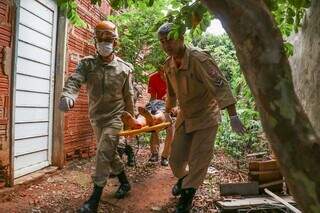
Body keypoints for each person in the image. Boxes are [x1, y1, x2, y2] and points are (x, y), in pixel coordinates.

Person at [157, 23, 246, 213]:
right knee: (176, 159)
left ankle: (186, 199)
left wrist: (233, 115)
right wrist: (167, 111)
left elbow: (220, 86)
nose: (166, 46)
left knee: (199, 159)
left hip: (206, 115)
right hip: (186, 115)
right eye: (163, 42)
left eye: (170, 40)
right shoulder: (169, 65)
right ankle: (184, 180)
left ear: (181, 37)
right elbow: (171, 93)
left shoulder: (199, 59)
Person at [59, 20, 134, 213]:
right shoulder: (87, 65)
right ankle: (125, 183)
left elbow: (129, 96)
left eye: (109, 39)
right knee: (109, 153)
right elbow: (75, 81)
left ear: (115, 43)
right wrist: (68, 95)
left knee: (102, 153)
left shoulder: (125, 69)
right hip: (96, 118)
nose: (105, 43)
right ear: (95, 41)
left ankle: (94, 199)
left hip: (116, 117)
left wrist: (131, 120)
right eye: (101, 39)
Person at [147, 68, 175, 166]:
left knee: (171, 128)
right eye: (160, 72)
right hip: (159, 105)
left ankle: (165, 156)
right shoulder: (153, 78)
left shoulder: (175, 76)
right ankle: (154, 153)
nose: (163, 75)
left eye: (165, 72)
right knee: (155, 126)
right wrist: (152, 108)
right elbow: (153, 97)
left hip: (173, 105)